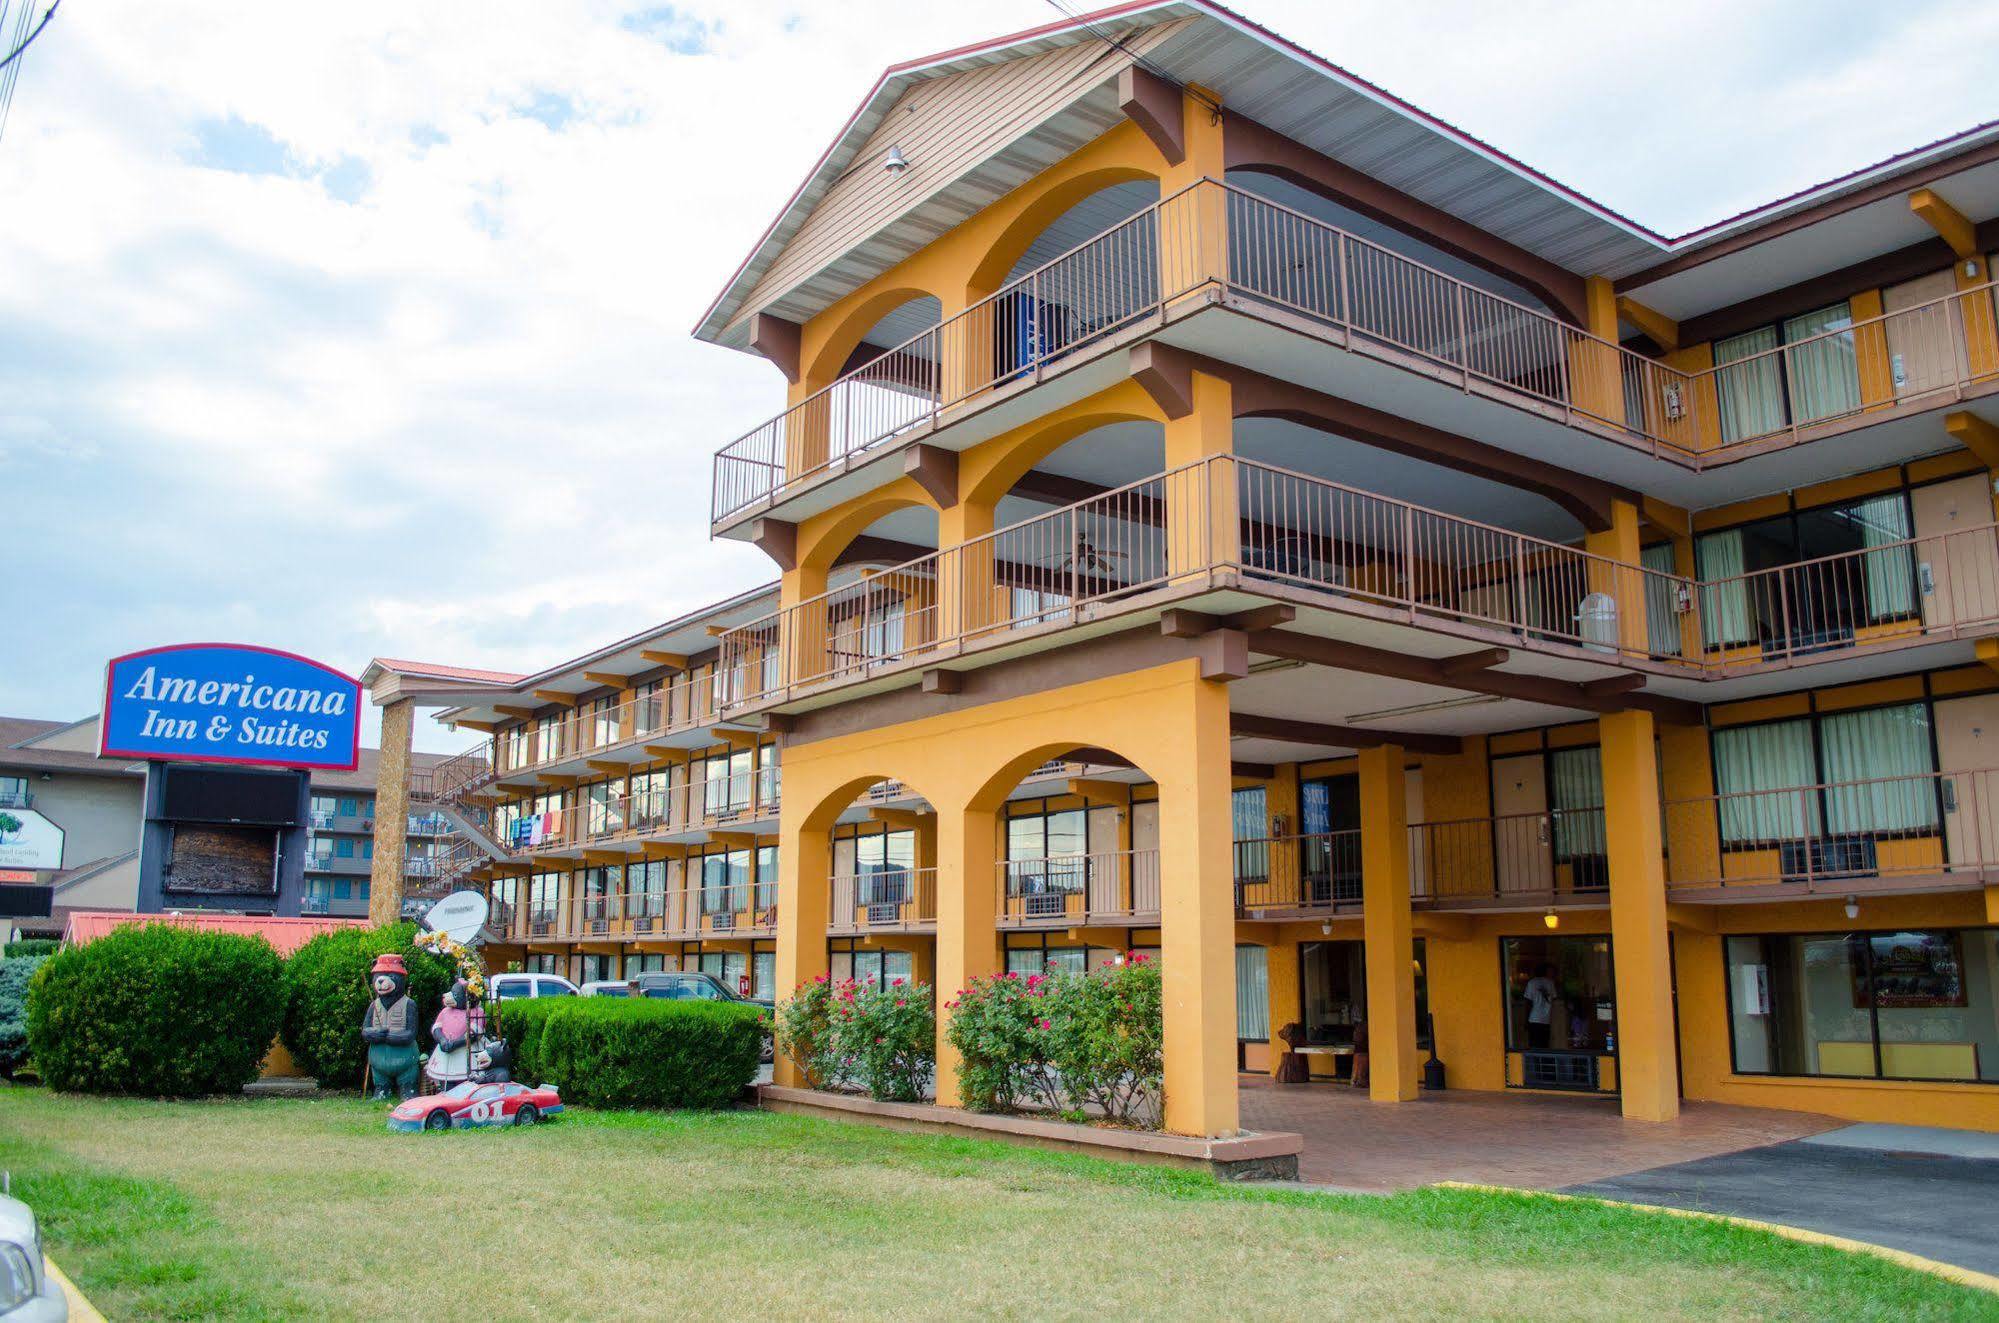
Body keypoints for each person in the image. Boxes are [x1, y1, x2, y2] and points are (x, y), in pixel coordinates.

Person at [1524, 962, 1558, 1051]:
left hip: (1534, 1019)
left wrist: (1526, 1021)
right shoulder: (1550, 983)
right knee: (1544, 1047)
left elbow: (1528, 1003)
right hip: (1546, 1020)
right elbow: (1553, 998)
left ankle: (1535, 1065)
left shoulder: (1532, 983)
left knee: (1534, 1047)